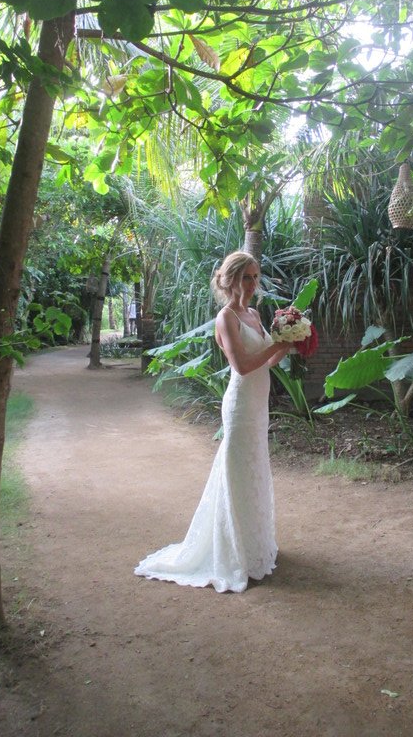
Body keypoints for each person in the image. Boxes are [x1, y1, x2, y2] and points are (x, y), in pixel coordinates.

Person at [135, 251, 291, 592]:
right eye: (246, 277)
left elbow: (269, 362)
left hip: (258, 404)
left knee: (254, 469)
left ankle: (254, 545)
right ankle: (231, 550)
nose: (253, 284)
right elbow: (244, 365)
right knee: (236, 471)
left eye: (255, 276)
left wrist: (289, 342)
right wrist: (276, 343)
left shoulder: (253, 314)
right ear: (231, 279)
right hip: (239, 405)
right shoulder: (227, 318)